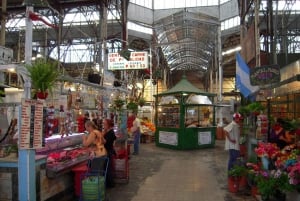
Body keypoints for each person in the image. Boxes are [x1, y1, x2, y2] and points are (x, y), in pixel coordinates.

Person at [103, 118, 116, 188]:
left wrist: (100, 136)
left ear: (108, 125)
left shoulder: (111, 132)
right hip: (106, 151)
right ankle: (108, 183)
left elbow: (106, 142)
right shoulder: (107, 131)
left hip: (108, 151)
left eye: (105, 124)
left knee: (108, 168)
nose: (103, 125)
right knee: (107, 168)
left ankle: (110, 184)